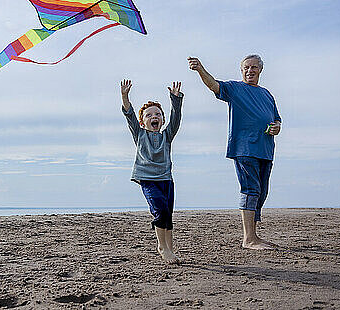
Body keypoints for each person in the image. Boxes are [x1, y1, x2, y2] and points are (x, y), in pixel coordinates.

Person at [188, 54, 281, 250]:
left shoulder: (267, 94)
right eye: (246, 67)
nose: (250, 70)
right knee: (251, 189)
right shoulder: (235, 89)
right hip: (244, 148)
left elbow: (277, 120)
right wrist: (200, 69)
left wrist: (276, 127)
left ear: (260, 70)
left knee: (261, 192)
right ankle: (249, 239)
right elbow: (213, 85)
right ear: (241, 70)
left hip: (265, 149)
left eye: (254, 67)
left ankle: (254, 235)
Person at [120, 79, 184, 262]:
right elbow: (129, 114)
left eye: (157, 114)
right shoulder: (139, 134)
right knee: (160, 211)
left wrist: (175, 99)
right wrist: (125, 96)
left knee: (168, 215)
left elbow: (176, 116)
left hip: (166, 179)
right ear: (142, 122)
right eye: (149, 115)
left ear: (162, 119)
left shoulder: (167, 135)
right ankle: (162, 247)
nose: (153, 116)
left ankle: (170, 248)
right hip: (147, 179)